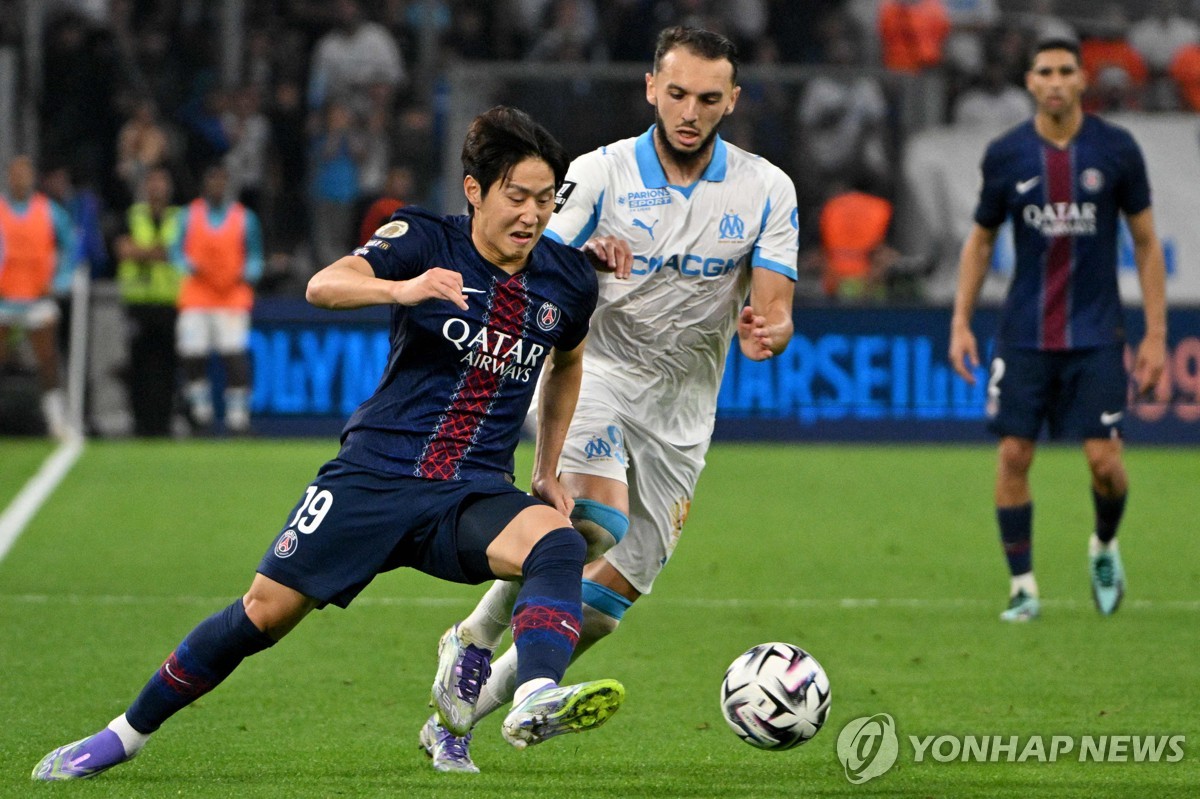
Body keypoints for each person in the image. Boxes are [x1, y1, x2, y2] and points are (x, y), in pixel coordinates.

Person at [31, 105, 623, 783]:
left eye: (545, 199)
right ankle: (122, 734)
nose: (532, 214)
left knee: (559, 539)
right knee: (262, 614)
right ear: (474, 190)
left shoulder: (566, 279)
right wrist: (404, 288)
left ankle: (533, 695)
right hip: (373, 477)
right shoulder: (426, 239)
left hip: (471, 492)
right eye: (517, 196)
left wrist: (547, 467)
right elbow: (322, 284)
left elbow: (568, 362)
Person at [421, 26, 797, 773]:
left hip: (683, 411)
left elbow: (775, 304)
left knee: (601, 607)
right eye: (679, 93)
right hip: (590, 372)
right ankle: (488, 648)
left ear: (733, 101)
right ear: (652, 87)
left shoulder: (766, 187)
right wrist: (582, 254)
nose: (691, 111)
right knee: (591, 516)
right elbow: (522, 259)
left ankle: (466, 711)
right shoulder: (599, 174)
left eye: (709, 98)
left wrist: (771, 329)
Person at [948, 38, 1168, 622]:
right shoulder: (1007, 154)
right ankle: (1023, 586)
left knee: (1105, 463)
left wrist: (1154, 336)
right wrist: (961, 322)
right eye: (1044, 70)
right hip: (1024, 334)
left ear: (1081, 80)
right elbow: (981, 241)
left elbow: (1146, 244)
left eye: (1066, 70)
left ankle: (1103, 544)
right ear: (1029, 81)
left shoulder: (1116, 149)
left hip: (1096, 335)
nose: (1054, 80)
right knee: (1014, 453)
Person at [171, 162, 263, 435]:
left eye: (222, 181)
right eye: (213, 181)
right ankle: (200, 411)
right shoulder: (188, 215)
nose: (217, 186)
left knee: (234, 356)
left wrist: (248, 273)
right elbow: (175, 249)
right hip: (197, 295)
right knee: (193, 355)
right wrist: (187, 265)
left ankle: (237, 416)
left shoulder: (244, 218)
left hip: (231, 296)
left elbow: (255, 254)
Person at [0, 155, 77, 439]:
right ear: (9, 178)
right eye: (15, 174)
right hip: (5, 299)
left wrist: (60, 280)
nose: (20, 179)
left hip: (37, 297)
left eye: (25, 174)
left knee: (47, 359)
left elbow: (71, 246)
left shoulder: (50, 211)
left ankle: (56, 419)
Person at [115, 166, 183, 437]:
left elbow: (179, 252)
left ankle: (164, 424)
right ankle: (140, 423)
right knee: (138, 366)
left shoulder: (180, 217)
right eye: (152, 181)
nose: (157, 187)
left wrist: (141, 252)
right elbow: (122, 250)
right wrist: (158, 252)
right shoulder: (132, 216)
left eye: (161, 181)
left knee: (168, 366)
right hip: (138, 302)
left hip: (170, 301)